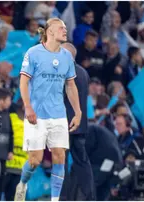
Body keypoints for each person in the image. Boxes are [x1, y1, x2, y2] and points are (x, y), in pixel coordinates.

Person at [14, 18, 82, 201]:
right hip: (37, 113)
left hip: (58, 114)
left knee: (59, 156)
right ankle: (23, 183)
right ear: (50, 31)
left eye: (66, 28)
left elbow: (71, 85)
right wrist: (28, 107)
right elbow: (23, 81)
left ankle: (55, 199)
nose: (65, 30)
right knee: (35, 160)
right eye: (61, 28)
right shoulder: (33, 53)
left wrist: (78, 111)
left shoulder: (67, 56)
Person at [60, 42, 95, 200]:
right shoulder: (83, 72)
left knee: (61, 163)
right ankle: (90, 195)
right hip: (80, 126)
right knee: (82, 162)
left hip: (64, 125)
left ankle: (63, 198)